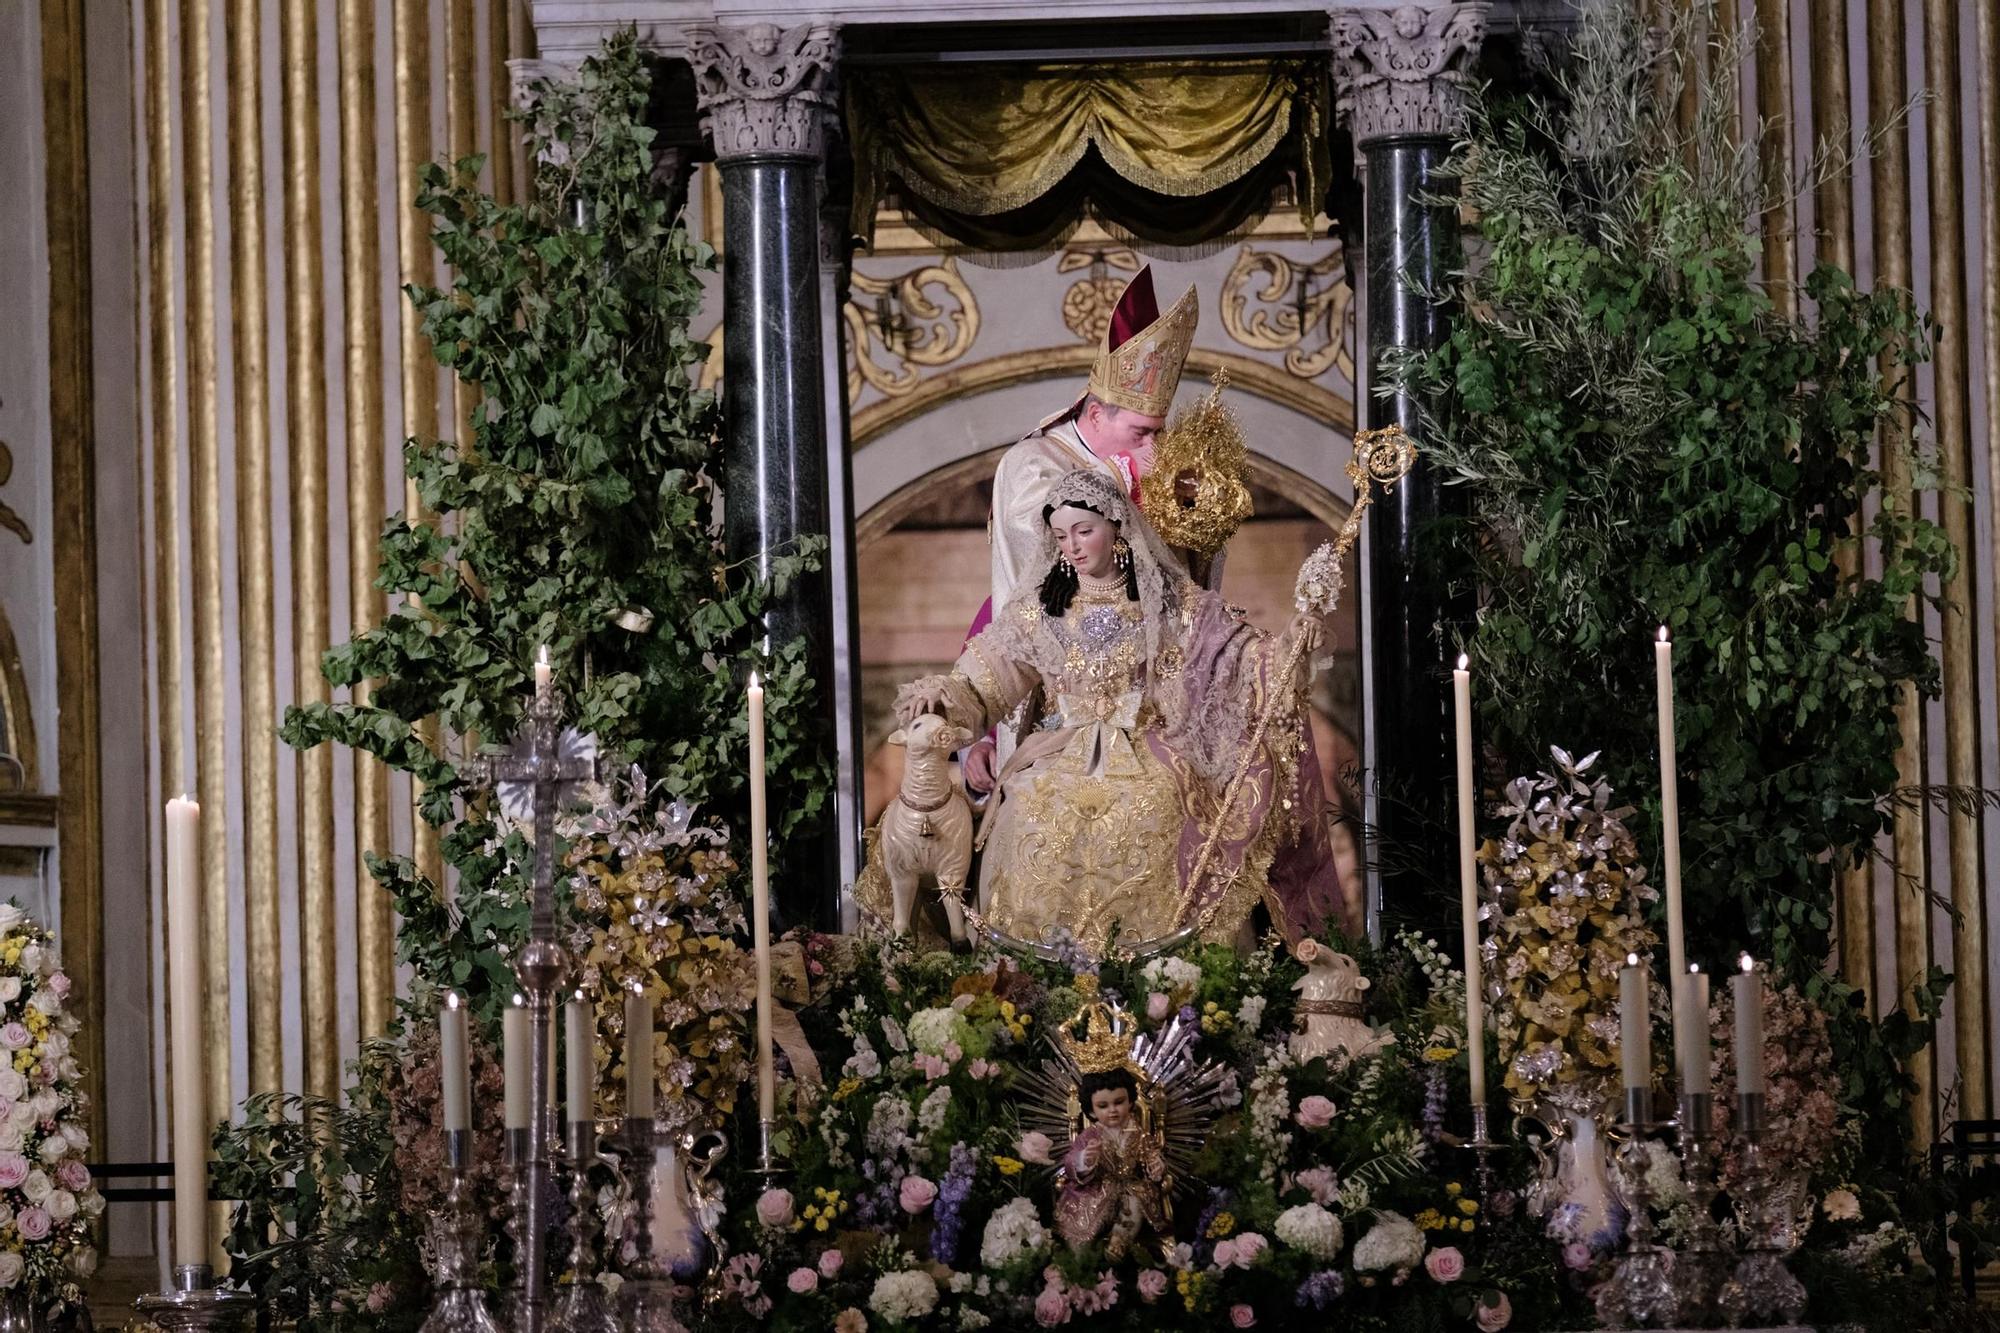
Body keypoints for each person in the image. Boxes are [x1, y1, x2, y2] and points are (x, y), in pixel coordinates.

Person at [893, 469, 1350, 953]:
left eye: (1083, 531)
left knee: (1164, 804)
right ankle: (1033, 969)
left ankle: (1169, 969)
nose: (1072, 545)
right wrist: (943, 697)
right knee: (1030, 807)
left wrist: (1287, 652)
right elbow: (985, 679)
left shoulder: (1170, 604)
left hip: (1148, 750)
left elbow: (1234, 656)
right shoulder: (1039, 611)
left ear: (1116, 527)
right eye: (1060, 535)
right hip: (1059, 753)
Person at [963, 264, 1212, 795]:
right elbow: (1052, 566)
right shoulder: (1034, 464)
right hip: (1058, 707)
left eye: (1158, 434)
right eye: (1140, 433)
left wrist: (1195, 516)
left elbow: (1182, 588)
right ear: (1096, 415)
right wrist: (1136, 497)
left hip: (1146, 706)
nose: (1153, 450)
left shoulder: (1140, 467)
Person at [1055, 1066, 1170, 1259]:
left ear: (1131, 1101)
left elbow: (1152, 1155)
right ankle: (1080, 1254)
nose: (1113, 1110)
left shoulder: (1139, 1134)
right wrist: (1085, 1159)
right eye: (1103, 1106)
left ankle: (1119, 1241)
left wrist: (1156, 1165)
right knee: (1083, 1216)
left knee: (1135, 1202)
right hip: (1097, 1188)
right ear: (1091, 1111)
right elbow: (1070, 1160)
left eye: (1119, 1102)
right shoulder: (1089, 1135)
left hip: (1130, 1187)